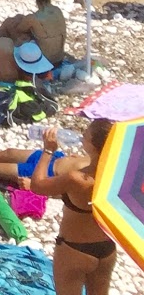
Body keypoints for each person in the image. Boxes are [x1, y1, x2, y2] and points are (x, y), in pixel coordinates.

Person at [30, 118, 118, 295]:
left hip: (74, 250)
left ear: (92, 146)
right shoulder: (119, 175)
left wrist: (48, 151)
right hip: (107, 248)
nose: (82, 136)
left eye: (86, 135)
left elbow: (37, 185)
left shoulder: (76, 179)